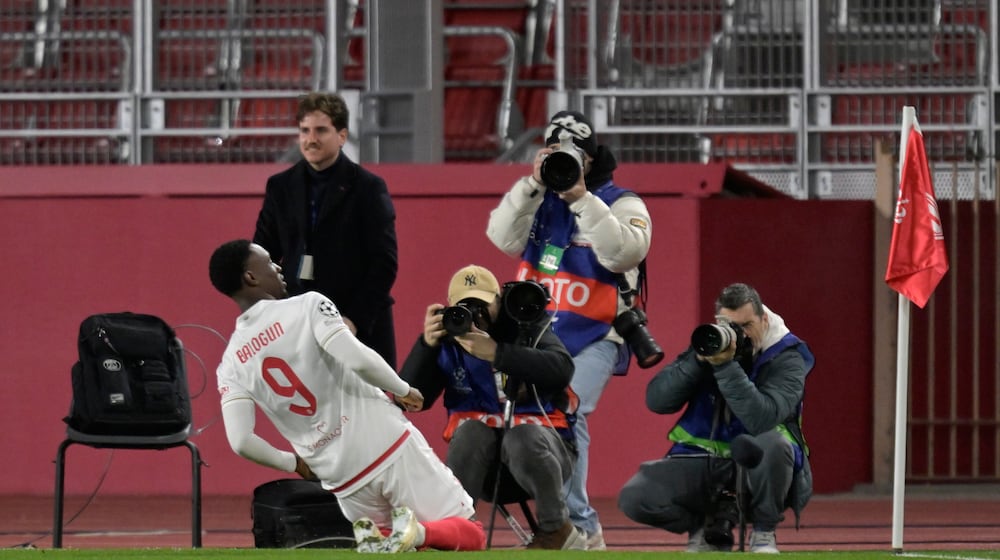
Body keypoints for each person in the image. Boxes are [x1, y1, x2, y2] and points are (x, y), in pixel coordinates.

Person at [209, 239, 485, 553]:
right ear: (250, 277)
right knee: (470, 534)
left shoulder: (231, 362)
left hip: (341, 477)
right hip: (386, 445)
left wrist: (294, 464)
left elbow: (241, 441)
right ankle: (415, 532)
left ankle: (380, 534)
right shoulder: (307, 305)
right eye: (269, 262)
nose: (278, 267)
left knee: (394, 546)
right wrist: (403, 388)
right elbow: (356, 357)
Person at [486, 110, 653, 549]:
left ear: (591, 159)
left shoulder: (623, 201)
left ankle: (579, 525)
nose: (563, 164)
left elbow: (623, 254)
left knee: (568, 407)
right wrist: (532, 184)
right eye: (554, 153)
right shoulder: (539, 200)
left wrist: (580, 197)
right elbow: (501, 238)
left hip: (599, 332)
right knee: (538, 418)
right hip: (541, 333)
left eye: (572, 156)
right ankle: (563, 523)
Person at [397, 264, 586, 550]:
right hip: (484, 465)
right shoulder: (449, 339)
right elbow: (410, 399)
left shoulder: (526, 324)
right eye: (467, 306)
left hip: (545, 456)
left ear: (500, 301)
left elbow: (562, 369)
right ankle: (454, 531)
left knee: (523, 436)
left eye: (483, 305)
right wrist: (426, 345)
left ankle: (556, 529)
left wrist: (498, 353)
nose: (477, 315)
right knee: (470, 432)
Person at [617, 283, 815, 554]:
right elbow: (657, 401)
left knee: (773, 444)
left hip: (761, 466)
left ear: (764, 319)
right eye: (731, 326)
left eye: (747, 325)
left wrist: (724, 366)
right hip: (706, 460)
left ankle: (764, 534)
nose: (739, 334)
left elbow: (762, 418)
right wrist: (697, 362)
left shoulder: (787, 357)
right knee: (636, 498)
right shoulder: (710, 345)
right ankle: (700, 526)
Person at [253, 91, 399, 368]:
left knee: (364, 411)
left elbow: (384, 264)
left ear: (342, 136)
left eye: (321, 130)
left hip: (359, 330)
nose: (311, 139)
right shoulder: (280, 187)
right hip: (299, 328)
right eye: (304, 130)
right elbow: (262, 255)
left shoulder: (368, 188)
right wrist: (271, 316)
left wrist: (352, 320)